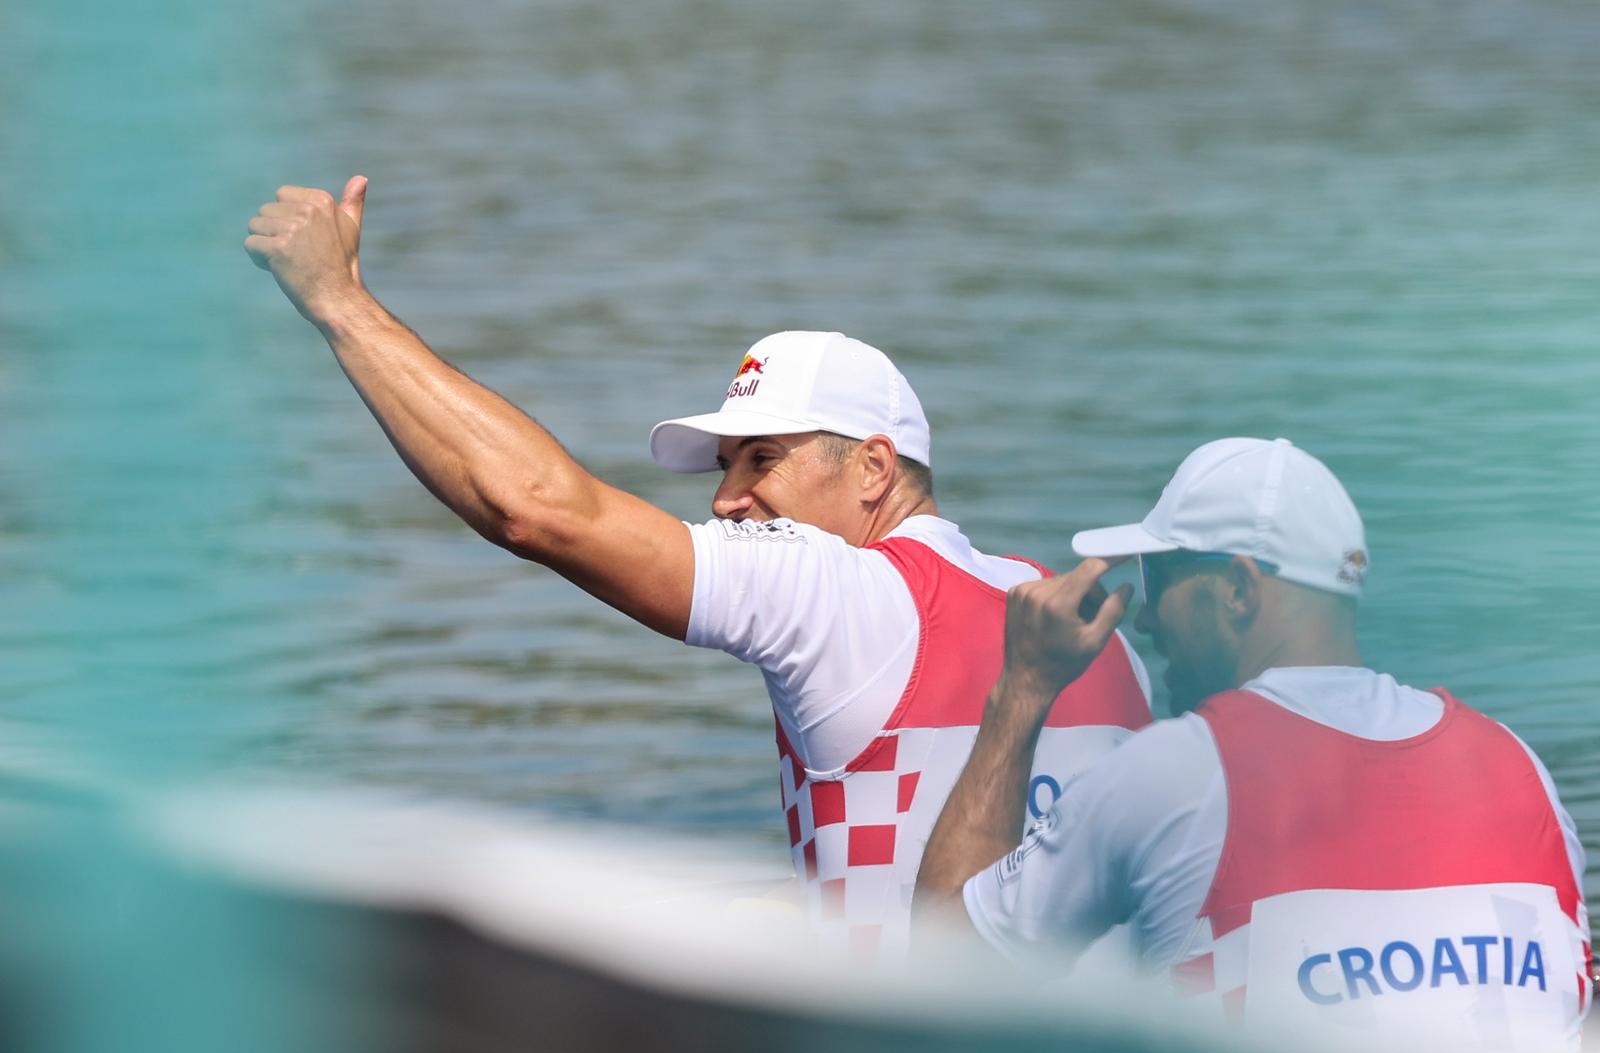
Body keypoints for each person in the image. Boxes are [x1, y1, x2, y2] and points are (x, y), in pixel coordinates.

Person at [243, 177, 1152, 959]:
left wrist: (340, 303)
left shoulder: (832, 590)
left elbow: (536, 510)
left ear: (874, 468)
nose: (727, 502)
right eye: (725, 471)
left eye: (762, 460)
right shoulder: (1083, 627)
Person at [915, 437, 1591, 1053]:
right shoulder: (1516, 765)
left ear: (1238, 589)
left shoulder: (1179, 771)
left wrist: (1024, 687)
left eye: (1158, 580)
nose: (1146, 618)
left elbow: (940, 969)